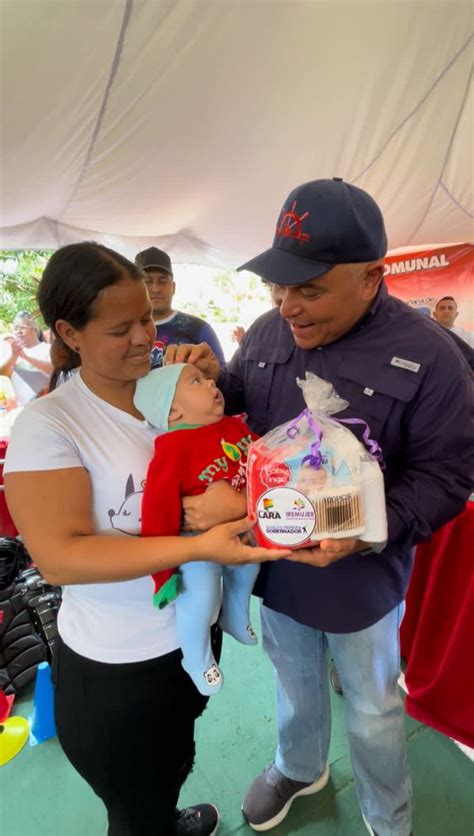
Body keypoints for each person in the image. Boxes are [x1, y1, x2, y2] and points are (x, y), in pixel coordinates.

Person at [165, 178, 473, 836]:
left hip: (365, 576)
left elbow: (449, 473)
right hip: (278, 565)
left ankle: (387, 818)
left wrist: (366, 533)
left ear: (371, 277)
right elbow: (242, 398)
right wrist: (205, 381)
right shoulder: (272, 332)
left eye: (309, 288)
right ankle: (300, 767)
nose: (288, 305)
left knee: (373, 709)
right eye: (279, 285)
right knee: (294, 680)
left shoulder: (433, 357)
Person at [4, 242, 289, 836]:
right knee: (134, 810)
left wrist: (211, 381)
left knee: (171, 763)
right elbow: (60, 557)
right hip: (118, 667)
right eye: (120, 328)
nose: (143, 337)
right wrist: (197, 542)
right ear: (69, 332)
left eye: (147, 319)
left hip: (183, 638)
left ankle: (169, 814)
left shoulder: (166, 395)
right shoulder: (51, 424)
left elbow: (229, 456)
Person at [134, 363, 259, 696]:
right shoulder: (172, 448)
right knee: (201, 598)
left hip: (237, 528)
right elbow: (157, 510)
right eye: (195, 381)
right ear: (172, 410)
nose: (209, 383)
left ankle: (234, 615)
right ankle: (196, 658)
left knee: (249, 565)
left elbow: (264, 457)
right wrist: (162, 572)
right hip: (196, 544)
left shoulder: (234, 428)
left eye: (206, 378)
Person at [135, 247, 226, 368]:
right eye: (147, 281)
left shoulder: (199, 329)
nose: (155, 289)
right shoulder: (123, 330)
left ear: (173, 287)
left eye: (163, 281)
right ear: (135, 287)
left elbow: (224, 378)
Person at [0, 311, 52, 405]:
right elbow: (3, 375)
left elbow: (55, 373)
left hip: (46, 405)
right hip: (22, 409)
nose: (18, 331)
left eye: (22, 327)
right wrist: (14, 356)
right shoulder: (12, 353)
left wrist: (27, 358)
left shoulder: (48, 349)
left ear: (34, 329)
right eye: (15, 328)